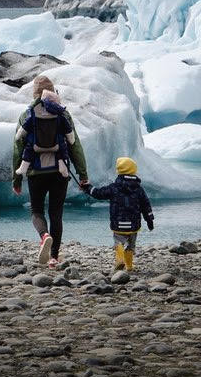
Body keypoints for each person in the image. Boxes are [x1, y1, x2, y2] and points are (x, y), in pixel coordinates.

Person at [12, 75, 89, 267]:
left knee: (37, 210)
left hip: (35, 172)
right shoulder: (63, 114)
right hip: (59, 171)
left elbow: (18, 147)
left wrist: (17, 178)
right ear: (53, 92)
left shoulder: (27, 114)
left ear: (35, 93)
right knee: (56, 213)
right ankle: (54, 257)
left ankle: (44, 235)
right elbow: (75, 145)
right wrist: (83, 174)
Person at [83, 156, 154, 271]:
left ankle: (120, 259)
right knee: (131, 245)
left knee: (119, 242)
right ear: (133, 171)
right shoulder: (139, 189)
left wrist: (88, 188)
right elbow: (146, 205)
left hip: (118, 223)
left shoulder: (114, 187)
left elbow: (99, 193)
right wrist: (149, 220)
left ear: (119, 171)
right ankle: (129, 266)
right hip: (134, 224)